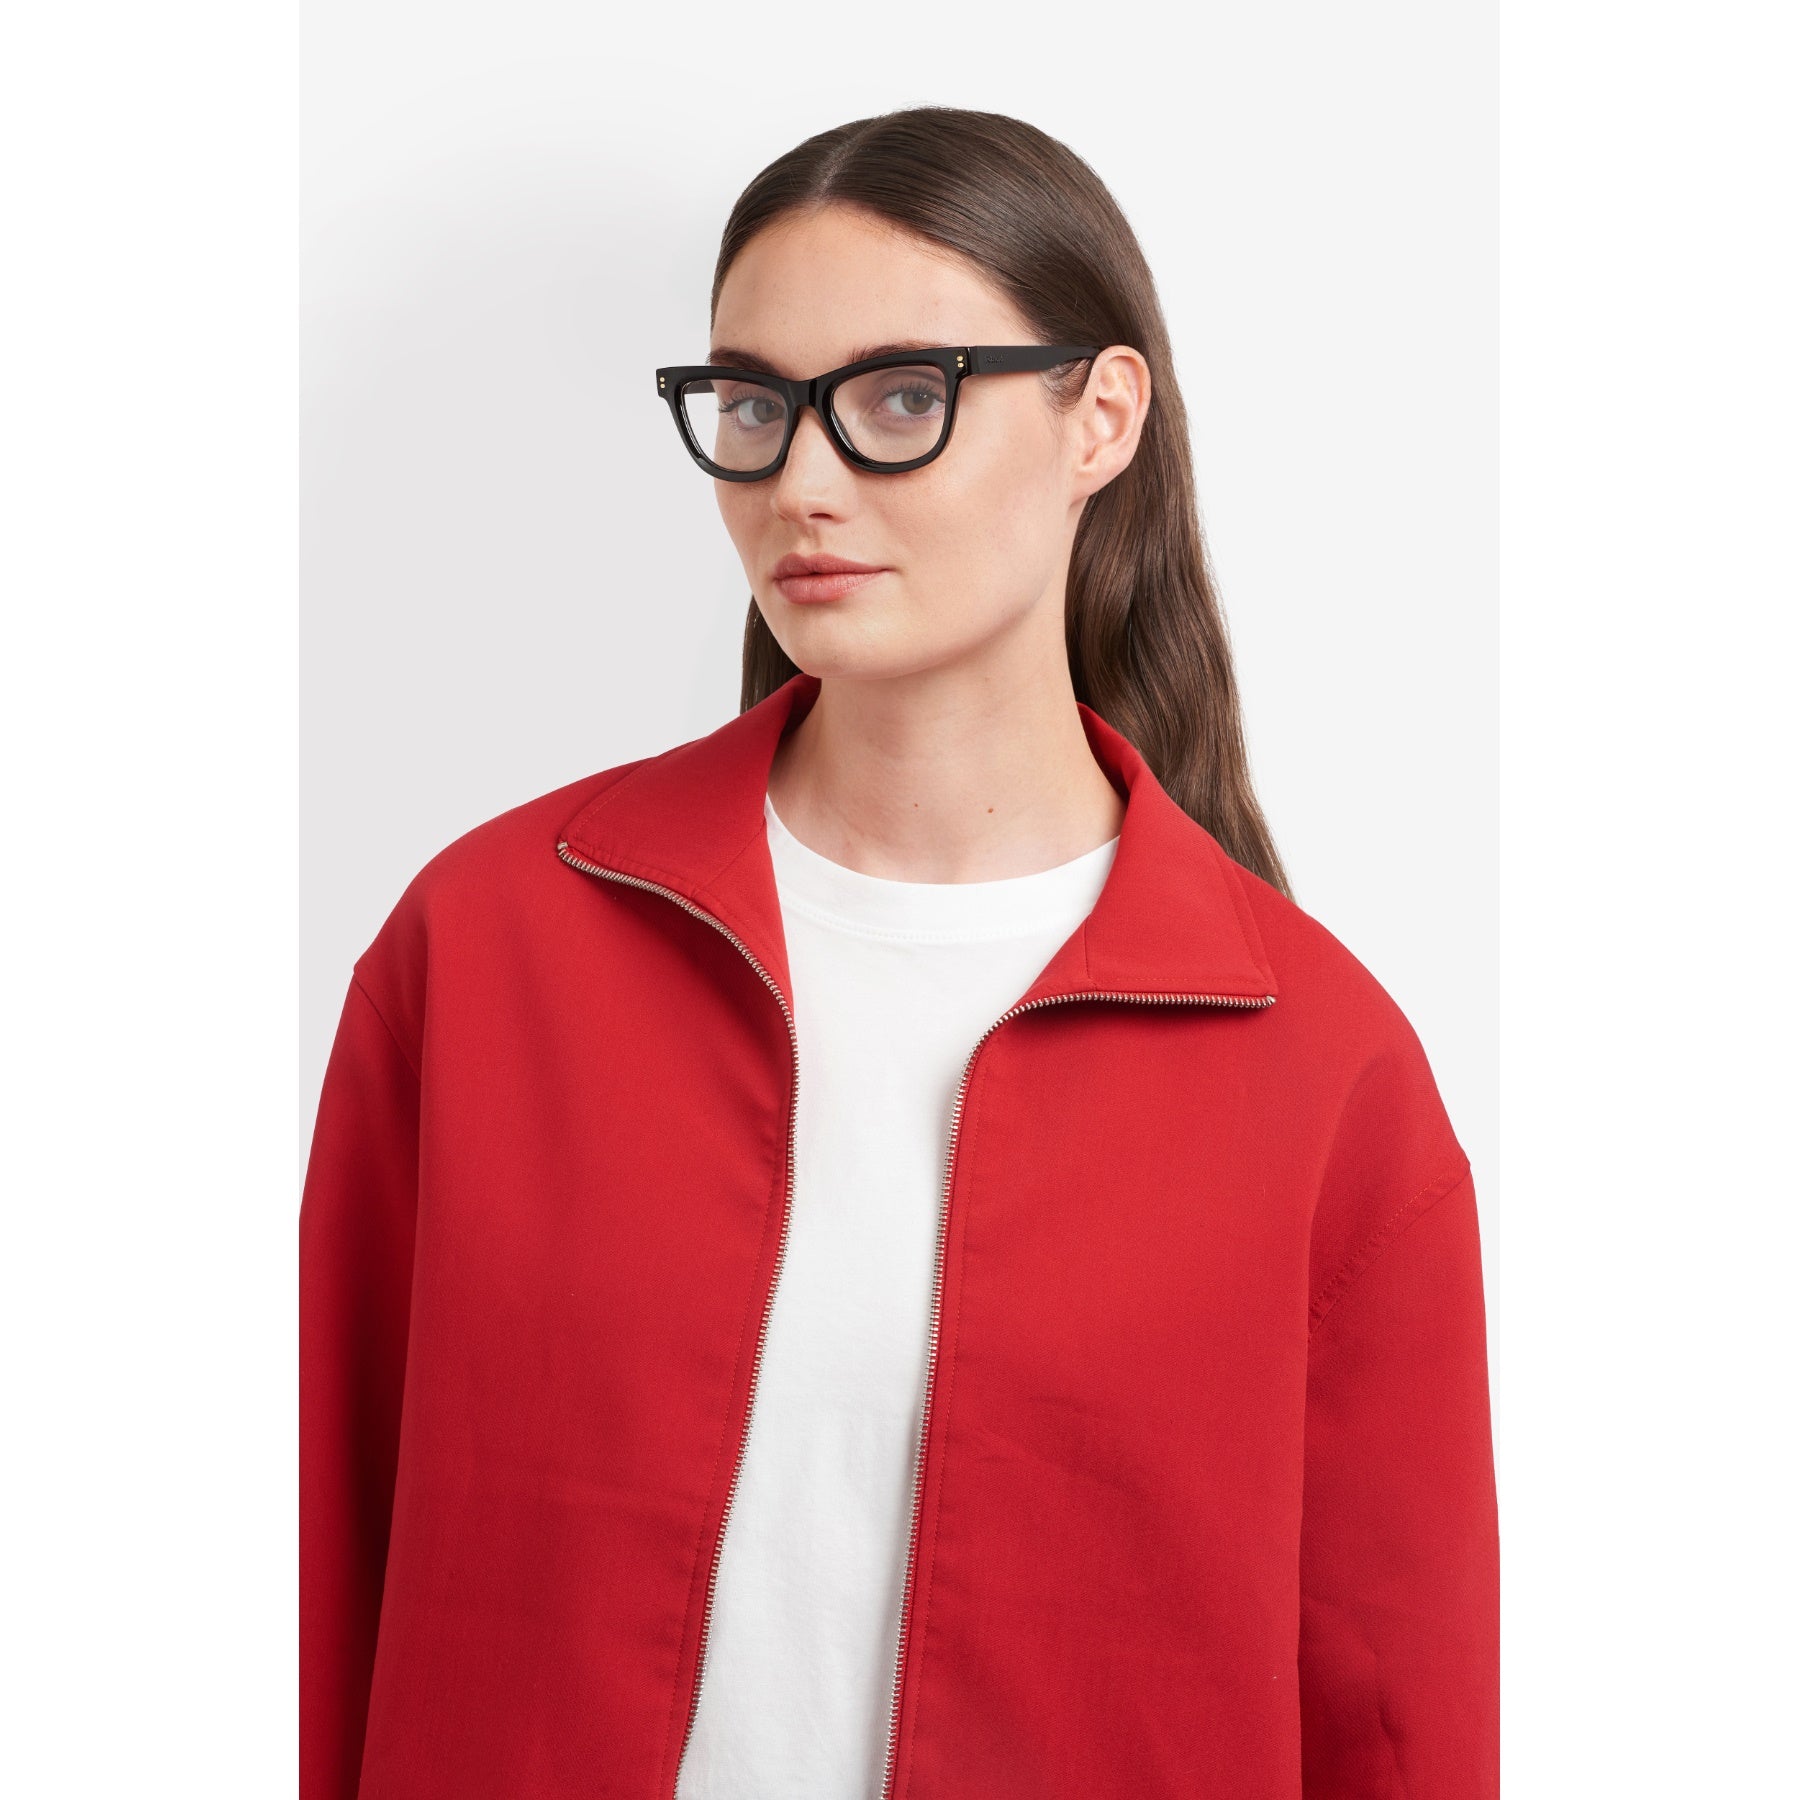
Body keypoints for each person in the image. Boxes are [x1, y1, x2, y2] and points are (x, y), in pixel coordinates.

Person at [300, 106, 1498, 1800]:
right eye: (751, 406)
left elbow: (1397, 1716)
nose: (801, 482)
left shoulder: (1317, 1065)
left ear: (1102, 418)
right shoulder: (489, 948)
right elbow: (316, 1573)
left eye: (898, 399)